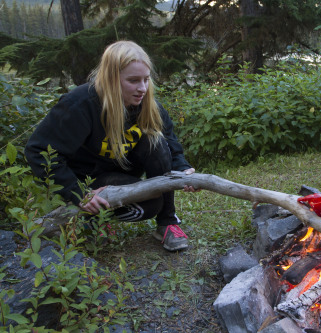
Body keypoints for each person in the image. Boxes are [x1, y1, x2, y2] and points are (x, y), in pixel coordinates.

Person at [25, 40, 196, 251]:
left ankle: (168, 223)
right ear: (111, 78)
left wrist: (182, 169)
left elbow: (171, 146)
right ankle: (91, 219)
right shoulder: (80, 104)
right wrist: (78, 193)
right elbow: (38, 150)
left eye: (146, 80)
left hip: (119, 173)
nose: (142, 88)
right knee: (148, 205)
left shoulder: (149, 106)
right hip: (88, 179)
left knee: (156, 146)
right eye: (133, 80)